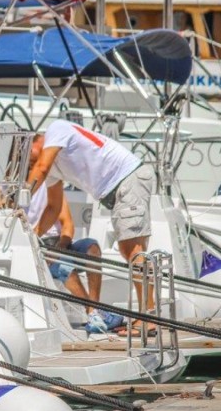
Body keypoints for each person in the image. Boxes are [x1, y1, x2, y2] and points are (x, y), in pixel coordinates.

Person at [28, 119, 156, 335]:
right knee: (131, 252)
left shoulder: (55, 129)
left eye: (28, 155)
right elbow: (53, 207)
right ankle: (148, 317)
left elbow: (41, 168)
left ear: (37, 141)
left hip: (126, 178)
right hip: (123, 185)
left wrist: (18, 198)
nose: (29, 163)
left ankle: (149, 319)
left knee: (132, 251)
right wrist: (30, 236)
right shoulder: (53, 168)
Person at [27, 135, 121, 334]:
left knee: (92, 247)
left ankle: (94, 309)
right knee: (62, 262)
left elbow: (67, 224)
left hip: (57, 243)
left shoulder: (51, 185)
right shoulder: (14, 188)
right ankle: (93, 312)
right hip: (35, 244)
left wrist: (63, 244)